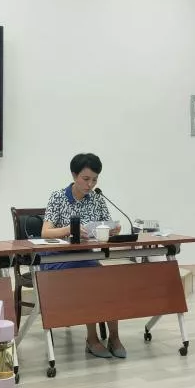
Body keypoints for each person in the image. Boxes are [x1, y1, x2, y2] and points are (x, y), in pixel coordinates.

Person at [41, 153, 123, 360]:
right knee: (91, 280)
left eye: (94, 180)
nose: (90, 185)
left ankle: (114, 337)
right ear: (74, 175)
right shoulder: (58, 197)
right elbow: (45, 232)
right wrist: (70, 229)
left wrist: (113, 230)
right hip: (58, 259)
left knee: (109, 281)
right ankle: (92, 338)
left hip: (86, 258)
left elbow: (105, 226)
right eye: (86, 179)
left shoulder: (97, 199)